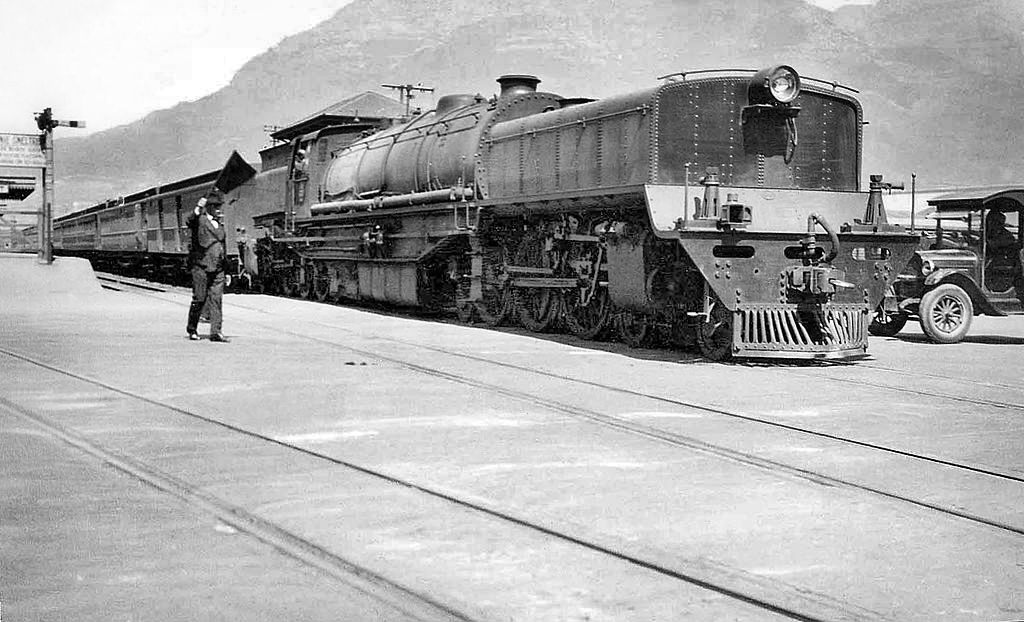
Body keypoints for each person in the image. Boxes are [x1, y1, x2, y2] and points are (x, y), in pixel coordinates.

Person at [186, 190, 229, 342]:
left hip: (218, 268)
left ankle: (216, 332)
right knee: (200, 298)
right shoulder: (200, 220)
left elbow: (223, 246)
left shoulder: (220, 225)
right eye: (216, 206)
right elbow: (190, 220)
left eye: (220, 206)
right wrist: (198, 207)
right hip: (201, 266)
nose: (219, 209)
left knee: (217, 300)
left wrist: (227, 269)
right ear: (208, 207)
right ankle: (192, 329)